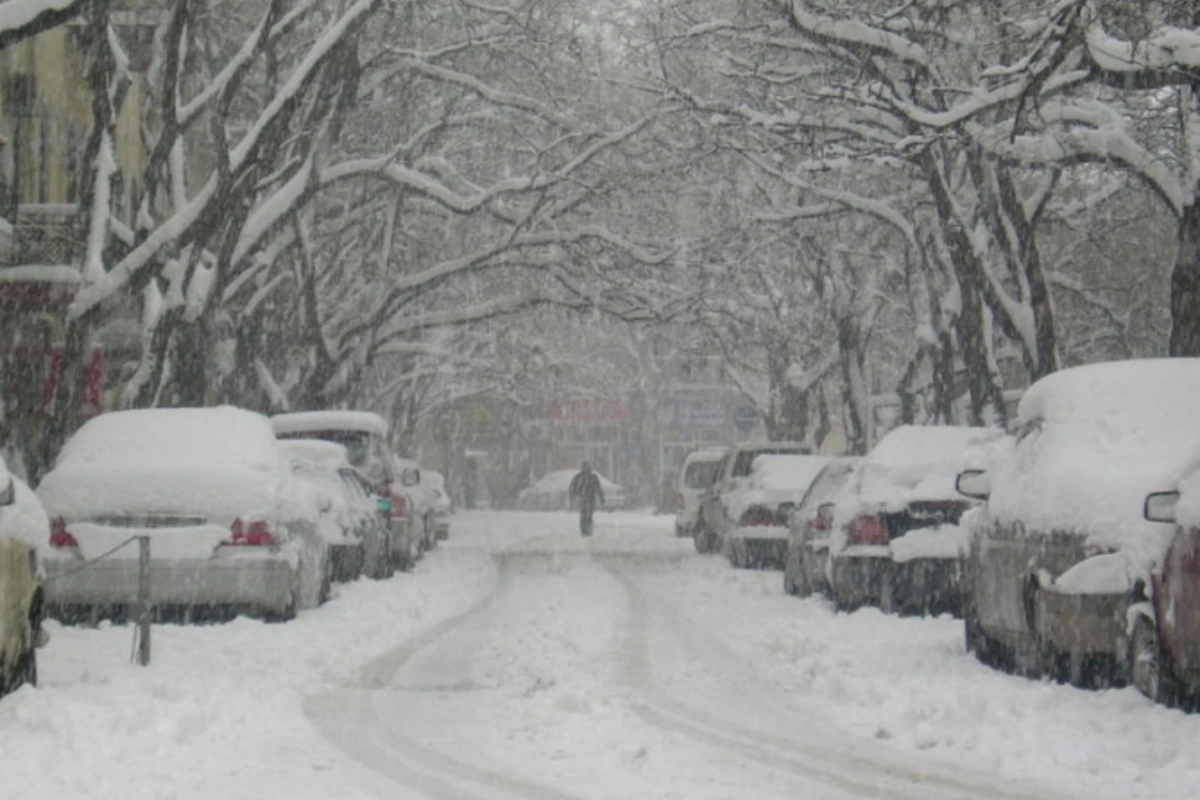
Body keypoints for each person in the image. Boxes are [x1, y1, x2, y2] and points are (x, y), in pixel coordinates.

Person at [568, 461, 605, 537]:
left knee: (586, 515)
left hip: (587, 499)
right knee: (585, 515)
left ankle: (586, 530)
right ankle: (585, 530)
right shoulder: (583, 477)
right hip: (585, 499)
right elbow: (572, 488)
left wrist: (601, 497)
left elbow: (598, 488)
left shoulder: (588, 477)